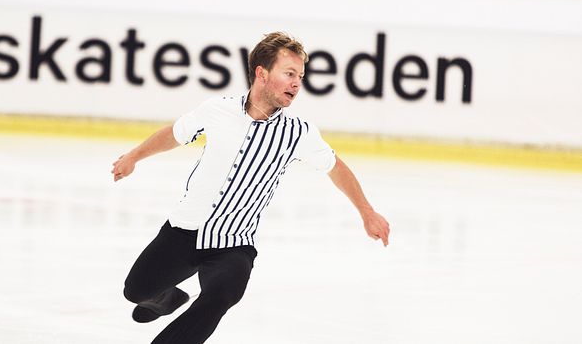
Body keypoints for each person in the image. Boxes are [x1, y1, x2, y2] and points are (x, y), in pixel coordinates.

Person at [112, 32, 390, 344]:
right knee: (135, 290)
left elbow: (335, 167)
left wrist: (368, 212)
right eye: (289, 74)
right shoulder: (217, 110)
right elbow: (175, 134)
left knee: (221, 296)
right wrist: (134, 156)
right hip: (184, 231)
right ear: (262, 73)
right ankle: (168, 299)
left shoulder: (298, 132)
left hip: (234, 244)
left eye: (300, 75)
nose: (297, 83)